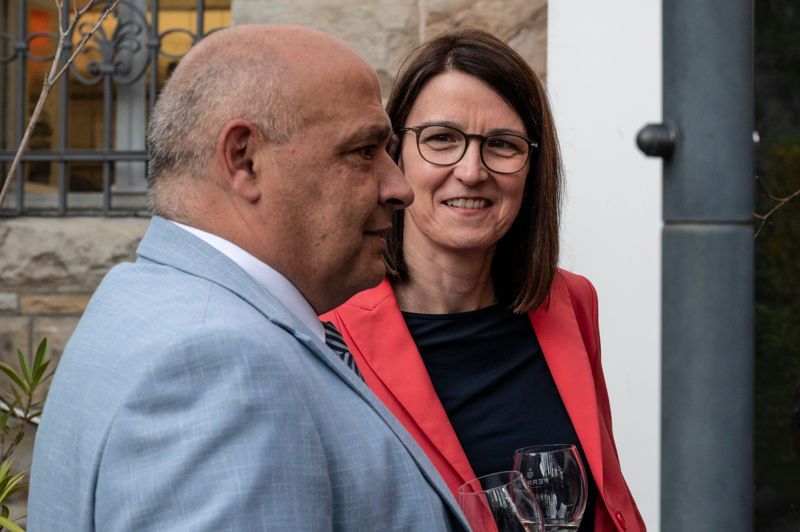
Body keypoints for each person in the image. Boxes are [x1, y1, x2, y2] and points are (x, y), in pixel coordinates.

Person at [28, 24, 470, 532]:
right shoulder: (219, 364)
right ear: (244, 159)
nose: (399, 187)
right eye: (363, 151)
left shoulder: (143, 298)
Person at [322, 29, 646, 531]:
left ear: (533, 167)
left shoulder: (569, 302)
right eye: (442, 139)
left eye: (501, 145)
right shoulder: (327, 335)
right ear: (396, 153)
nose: (472, 171)